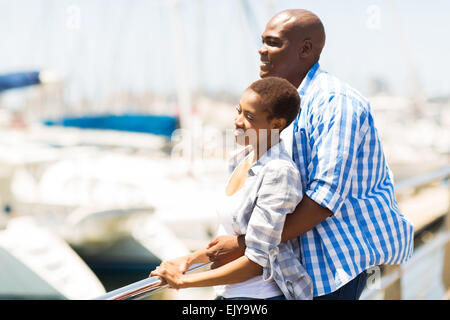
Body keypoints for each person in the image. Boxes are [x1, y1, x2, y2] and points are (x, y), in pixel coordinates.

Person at [202, 9, 415, 300]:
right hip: (299, 264)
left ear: (305, 49)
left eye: (273, 43)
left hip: (337, 261)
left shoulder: (335, 102)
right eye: (262, 41)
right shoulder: (286, 104)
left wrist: (242, 244)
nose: (262, 50)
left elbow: (323, 200)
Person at [151, 77, 313, 300]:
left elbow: (258, 258)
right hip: (228, 294)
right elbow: (229, 239)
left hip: (259, 297)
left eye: (249, 116)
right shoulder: (241, 159)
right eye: (239, 110)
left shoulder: (278, 172)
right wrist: (188, 260)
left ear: (276, 124)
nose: (237, 121)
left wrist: (184, 281)